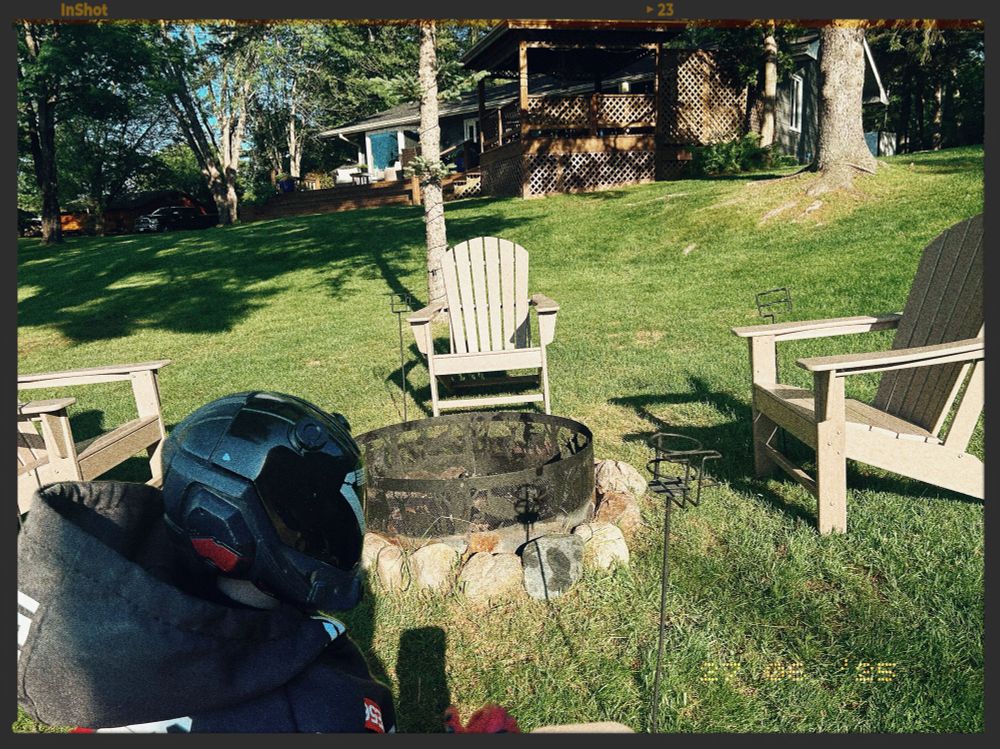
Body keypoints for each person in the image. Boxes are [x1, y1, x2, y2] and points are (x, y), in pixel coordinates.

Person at [17, 391, 396, 733]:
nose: (328, 528)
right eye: (302, 519)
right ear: (224, 525)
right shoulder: (324, 708)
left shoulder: (110, 652)